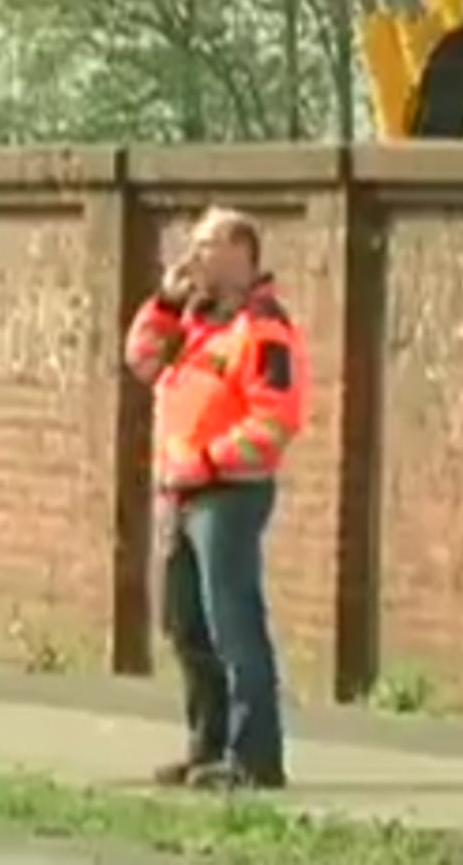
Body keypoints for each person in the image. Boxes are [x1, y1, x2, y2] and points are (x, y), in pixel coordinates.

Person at [122, 206, 306, 791]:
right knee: (185, 627)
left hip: (226, 494)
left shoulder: (263, 328)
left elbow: (274, 420)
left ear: (239, 252)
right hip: (179, 495)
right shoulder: (197, 323)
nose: (193, 254)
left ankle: (255, 759)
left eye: (205, 245)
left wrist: (206, 461)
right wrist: (167, 303)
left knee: (234, 627)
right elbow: (143, 360)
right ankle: (206, 746)